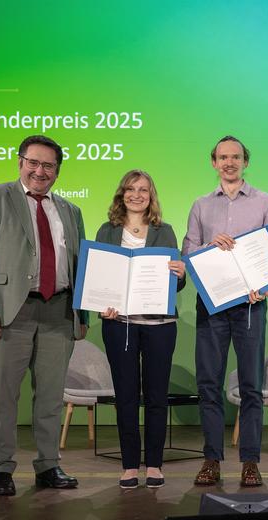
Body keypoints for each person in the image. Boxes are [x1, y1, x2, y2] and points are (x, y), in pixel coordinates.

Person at [0, 135, 87, 496]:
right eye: (33, 162)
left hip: (59, 311)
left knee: (50, 397)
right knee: (3, 397)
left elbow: (80, 267)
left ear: (57, 171)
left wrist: (83, 316)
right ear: (20, 163)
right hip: (8, 313)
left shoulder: (70, 211)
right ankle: (0, 469)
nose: (39, 171)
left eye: (48, 165)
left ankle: (48, 466)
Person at [182, 135, 268, 487]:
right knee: (209, 384)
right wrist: (209, 246)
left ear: (245, 161)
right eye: (223, 157)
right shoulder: (200, 205)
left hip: (250, 305)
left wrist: (264, 284)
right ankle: (211, 459)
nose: (229, 162)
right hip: (212, 304)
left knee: (252, 386)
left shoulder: (265, 201)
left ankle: (250, 461)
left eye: (235, 157)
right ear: (214, 162)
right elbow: (188, 254)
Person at [95, 169, 186, 489]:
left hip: (160, 325)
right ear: (122, 194)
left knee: (157, 396)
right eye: (131, 189)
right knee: (126, 396)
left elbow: (178, 282)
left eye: (143, 189)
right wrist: (100, 303)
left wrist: (180, 274)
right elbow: (98, 277)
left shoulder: (166, 231)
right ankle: (130, 465)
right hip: (119, 324)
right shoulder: (106, 230)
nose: (137, 194)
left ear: (151, 195)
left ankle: (155, 465)